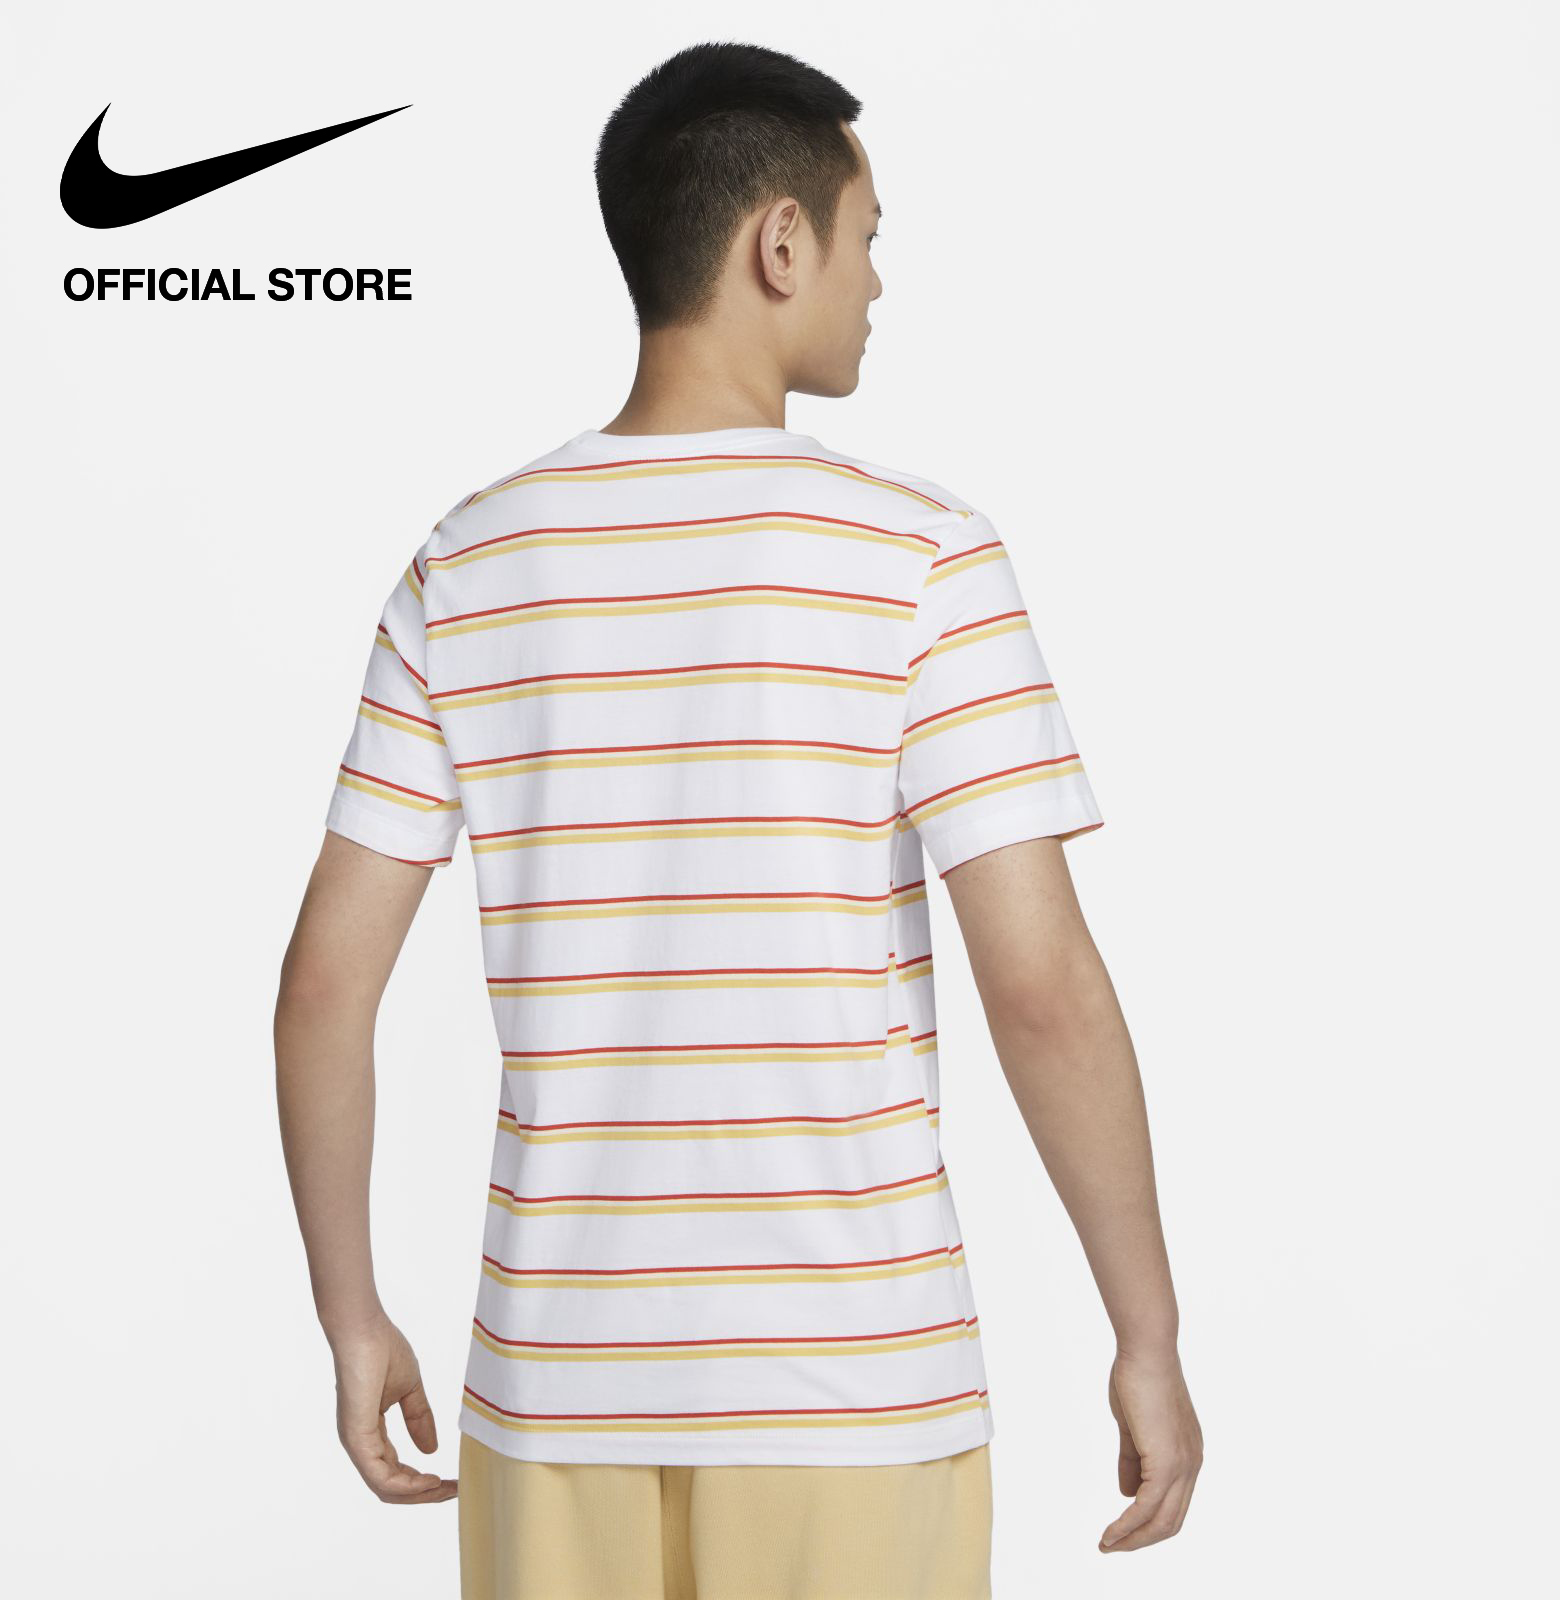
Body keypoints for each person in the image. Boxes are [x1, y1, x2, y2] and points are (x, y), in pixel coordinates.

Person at [275, 39, 1202, 1600]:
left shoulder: (466, 564)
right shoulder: (923, 558)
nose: (877, 282)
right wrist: (1149, 1332)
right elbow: (1040, 984)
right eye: (866, 237)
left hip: (552, 1392)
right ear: (782, 242)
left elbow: (321, 987)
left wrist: (351, 1314)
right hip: (854, 1392)